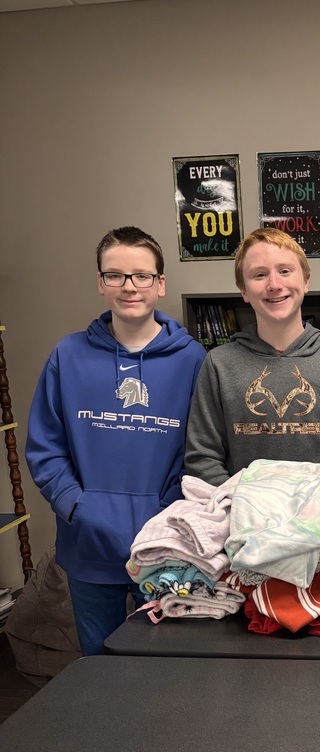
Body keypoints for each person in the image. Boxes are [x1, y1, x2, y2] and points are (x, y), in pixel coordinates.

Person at [25, 226, 207, 654]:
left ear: (160, 284)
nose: (129, 286)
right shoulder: (68, 356)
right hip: (88, 544)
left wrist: (168, 511)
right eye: (115, 275)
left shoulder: (193, 360)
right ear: (100, 282)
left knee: (172, 666)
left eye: (142, 275)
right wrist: (77, 506)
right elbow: (45, 447)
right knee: (100, 664)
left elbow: (202, 450)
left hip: (165, 544)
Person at [184, 228, 320, 485]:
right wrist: (239, 502)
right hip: (240, 507)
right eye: (260, 275)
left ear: (306, 281)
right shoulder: (218, 365)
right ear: (244, 290)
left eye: (284, 271)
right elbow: (202, 457)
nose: (274, 285)